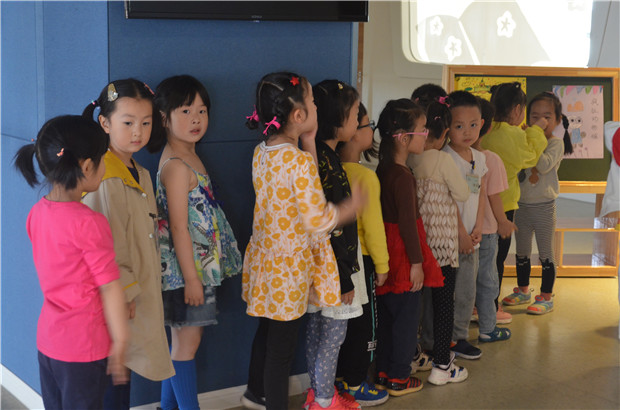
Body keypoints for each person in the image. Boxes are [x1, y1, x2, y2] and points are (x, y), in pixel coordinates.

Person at [241, 72, 362, 410]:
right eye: (311, 102)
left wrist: (308, 142)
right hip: (289, 269)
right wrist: (349, 208)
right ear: (297, 115)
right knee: (281, 352)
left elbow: (303, 190)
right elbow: (318, 219)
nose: (316, 107)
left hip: (266, 261)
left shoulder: (262, 152)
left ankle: (255, 392)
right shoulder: (297, 161)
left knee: (269, 334)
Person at [14, 115, 129, 409]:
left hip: (49, 342)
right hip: (83, 348)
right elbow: (110, 287)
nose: (104, 167)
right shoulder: (89, 223)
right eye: (103, 160)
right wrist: (120, 341)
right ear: (87, 166)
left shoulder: (37, 213)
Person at [82, 79, 175, 409]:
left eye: (146, 123)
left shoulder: (139, 171)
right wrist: (124, 290)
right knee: (112, 378)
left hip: (135, 292)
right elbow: (105, 244)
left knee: (123, 375)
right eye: (128, 122)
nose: (138, 132)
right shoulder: (104, 177)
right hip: (118, 296)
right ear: (104, 123)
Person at [154, 75, 243, 410]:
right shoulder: (177, 166)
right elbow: (178, 227)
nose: (196, 119)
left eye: (202, 111)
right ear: (164, 118)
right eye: (186, 111)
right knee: (185, 345)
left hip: (195, 270)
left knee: (183, 342)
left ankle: (167, 407)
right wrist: (192, 279)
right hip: (185, 273)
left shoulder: (188, 156)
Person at [305, 79, 365, 410]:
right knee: (332, 337)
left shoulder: (319, 156)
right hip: (331, 270)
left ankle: (317, 393)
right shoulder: (326, 162)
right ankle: (325, 401)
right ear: (337, 119)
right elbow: (332, 227)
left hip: (317, 267)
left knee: (317, 333)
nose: (358, 121)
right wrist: (343, 277)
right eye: (355, 114)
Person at [407, 94, 470, 385]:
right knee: (444, 307)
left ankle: (412, 356)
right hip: (443, 247)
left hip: (418, 247)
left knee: (415, 306)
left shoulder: (411, 158)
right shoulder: (443, 160)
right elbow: (463, 194)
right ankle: (442, 366)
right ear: (445, 132)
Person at [444, 91, 511, 359]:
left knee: (467, 291)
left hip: (472, 237)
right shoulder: (445, 157)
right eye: (459, 126)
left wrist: (477, 230)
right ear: (447, 126)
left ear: (482, 123)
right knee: (449, 292)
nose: (467, 132)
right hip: (450, 237)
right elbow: (447, 200)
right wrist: (461, 232)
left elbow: (481, 193)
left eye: (473, 125)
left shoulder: (479, 158)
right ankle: (446, 338)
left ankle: (459, 337)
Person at [336, 102, 390, 406]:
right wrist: (382, 265)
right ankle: (357, 384)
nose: (372, 130)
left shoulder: (329, 170)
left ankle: (341, 380)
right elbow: (373, 228)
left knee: (338, 325)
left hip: (337, 261)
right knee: (363, 325)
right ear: (353, 132)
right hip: (363, 261)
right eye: (368, 124)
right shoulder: (366, 177)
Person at [502, 92, 573, 314]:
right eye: (534, 117)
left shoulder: (556, 143)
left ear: (557, 120)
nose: (540, 121)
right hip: (521, 205)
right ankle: (523, 290)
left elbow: (542, 165)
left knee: (546, 254)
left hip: (544, 206)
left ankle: (546, 296)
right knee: (521, 252)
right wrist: (528, 138)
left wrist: (533, 138)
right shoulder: (526, 139)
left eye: (546, 117)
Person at [374, 98, 426, 397]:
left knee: (387, 319)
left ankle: (383, 372)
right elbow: (408, 225)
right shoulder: (403, 176)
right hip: (403, 255)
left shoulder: (383, 170)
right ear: (404, 138)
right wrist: (417, 264)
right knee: (406, 320)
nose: (426, 134)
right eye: (422, 129)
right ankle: (399, 377)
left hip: (385, 252)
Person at [480, 82, 548, 309]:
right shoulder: (513, 134)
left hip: (477, 203)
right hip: (503, 204)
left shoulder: (485, 129)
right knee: (497, 258)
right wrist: (536, 129)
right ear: (518, 109)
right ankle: (490, 306)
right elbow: (530, 156)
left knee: (481, 257)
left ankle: (477, 304)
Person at [471, 97, 517, 326]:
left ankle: (472, 310)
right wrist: (503, 221)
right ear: (487, 127)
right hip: (487, 230)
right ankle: (488, 322)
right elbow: (494, 196)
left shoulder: (451, 156)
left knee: (467, 278)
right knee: (487, 278)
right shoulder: (491, 159)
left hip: (463, 230)